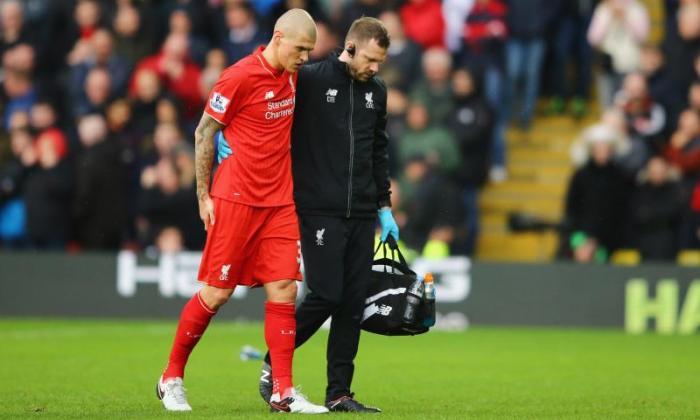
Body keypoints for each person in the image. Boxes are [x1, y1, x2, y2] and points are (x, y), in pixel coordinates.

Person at [219, 16, 398, 413]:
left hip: (363, 211)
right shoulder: (312, 80)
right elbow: (260, 101)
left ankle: (339, 393)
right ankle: (273, 366)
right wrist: (224, 136)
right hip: (318, 208)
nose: (375, 68)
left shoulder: (377, 92)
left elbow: (378, 151)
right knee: (327, 293)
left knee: (352, 302)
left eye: (380, 62)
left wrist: (384, 207)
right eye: (370, 59)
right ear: (350, 49)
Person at [155, 9, 328, 414]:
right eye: (300, 49)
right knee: (218, 292)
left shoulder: (292, 74)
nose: (304, 57)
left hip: (279, 201)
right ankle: (171, 377)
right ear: (278, 37)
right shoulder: (238, 76)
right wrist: (203, 194)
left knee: (284, 287)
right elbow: (204, 131)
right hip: (235, 199)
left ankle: (283, 391)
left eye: (309, 51)